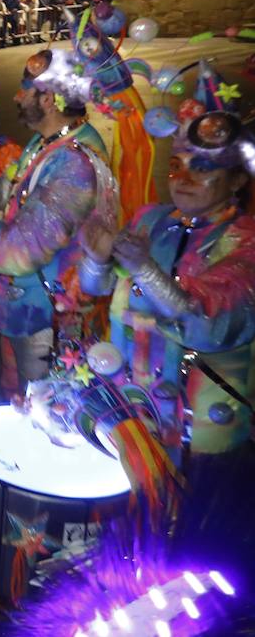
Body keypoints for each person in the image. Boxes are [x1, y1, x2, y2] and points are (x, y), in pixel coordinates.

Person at [79, 62, 255, 465]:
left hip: (199, 429)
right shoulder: (150, 219)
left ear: (238, 180)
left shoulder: (244, 239)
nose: (183, 178)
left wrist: (144, 269)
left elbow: (211, 324)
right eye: (177, 165)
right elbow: (98, 290)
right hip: (131, 409)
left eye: (204, 167)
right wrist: (94, 258)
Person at [0, 30, 124, 397]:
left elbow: (29, 245)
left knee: (42, 408)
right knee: (15, 394)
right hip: (22, 305)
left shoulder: (74, 161)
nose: (16, 96)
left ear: (48, 99)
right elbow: (2, 200)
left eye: (25, 89)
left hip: (50, 316)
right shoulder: (45, 144)